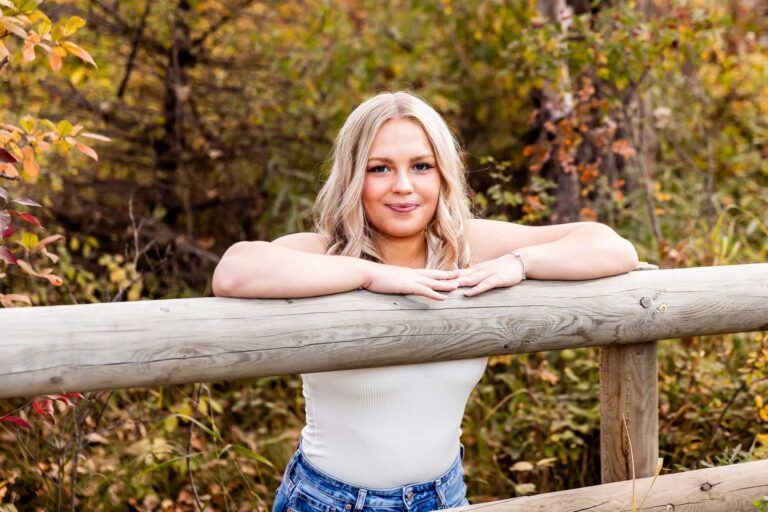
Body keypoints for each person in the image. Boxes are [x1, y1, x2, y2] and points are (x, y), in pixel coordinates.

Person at [212, 91, 639, 511]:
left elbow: (611, 246)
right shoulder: (325, 252)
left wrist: (520, 263)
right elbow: (234, 269)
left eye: (421, 166)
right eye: (379, 168)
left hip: (444, 497)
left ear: (442, 174)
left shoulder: (466, 245)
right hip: (328, 501)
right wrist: (371, 273)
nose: (403, 187)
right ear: (353, 176)